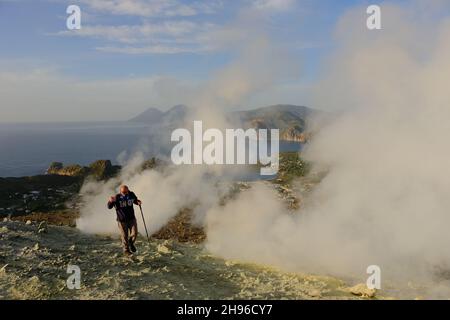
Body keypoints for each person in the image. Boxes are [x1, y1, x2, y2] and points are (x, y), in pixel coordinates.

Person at [107, 185, 142, 255]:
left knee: (135, 233)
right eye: (123, 192)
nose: (125, 193)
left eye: (126, 192)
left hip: (132, 218)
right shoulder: (117, 197)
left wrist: (138, 202)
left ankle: (131, 243)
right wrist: (110, 201)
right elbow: (109, 207)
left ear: (128, 190)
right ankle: (126, 250)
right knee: (124, 236)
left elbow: (135, 201)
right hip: (122, 220)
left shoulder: (131, 194)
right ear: (120, 192)